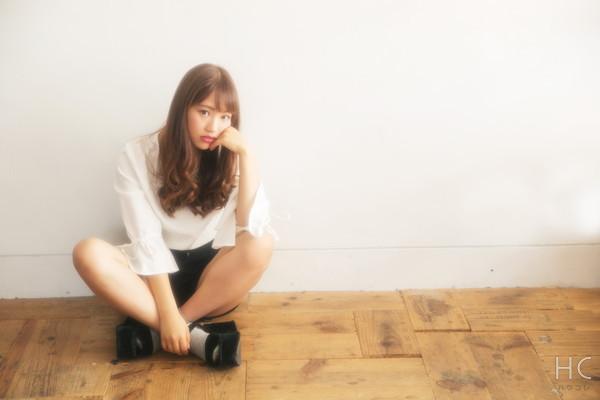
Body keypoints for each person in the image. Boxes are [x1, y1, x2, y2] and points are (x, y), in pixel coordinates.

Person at [72, 63, 279, 365]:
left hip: (213, 283)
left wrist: (245, 155)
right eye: (204, 112)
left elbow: (249, 224)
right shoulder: (136, 154)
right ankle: (194, 337)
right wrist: (167, 313)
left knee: (262, 241)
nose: (214, 127)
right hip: (150, 281)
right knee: (87, 252)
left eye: (225, 117)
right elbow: (146, 238)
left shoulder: (228, 153)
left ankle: (163, 329)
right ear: (183, 108)